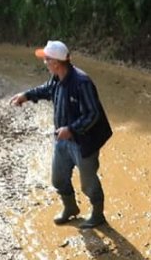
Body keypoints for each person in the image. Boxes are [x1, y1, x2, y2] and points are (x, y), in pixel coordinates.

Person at [10, 40, 112, 228]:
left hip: (84, 142)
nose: (45, 63)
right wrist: (26, 95)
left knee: (88, 184)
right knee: (58, 179)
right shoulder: (57, 78)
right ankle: (70, 208)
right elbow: (45, 90)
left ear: (56, 62)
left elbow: (93, 114)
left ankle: (98, 215)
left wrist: (71, 130)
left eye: (46, 60)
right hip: (62, 140)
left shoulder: (82, 82)